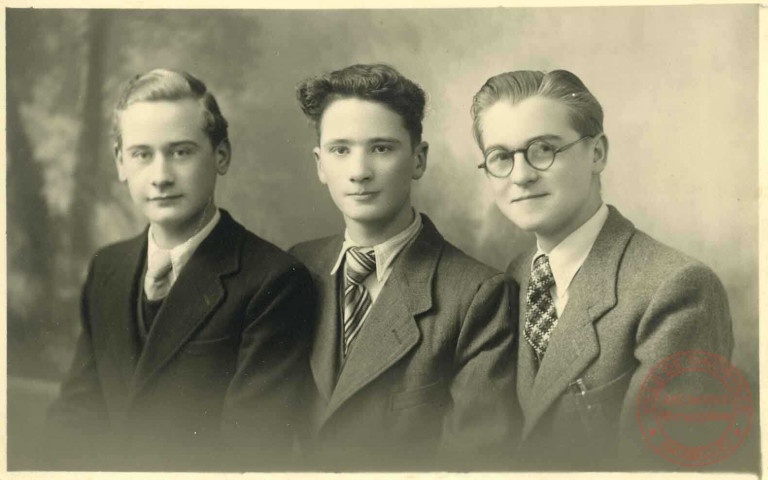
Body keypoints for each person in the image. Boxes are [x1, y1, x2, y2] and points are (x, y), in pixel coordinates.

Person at [46, 69, 313, 471]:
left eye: (181, 152)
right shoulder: (108, 267)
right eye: (142, 154)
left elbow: (251, 453)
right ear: (121, 162)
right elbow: (76, 416)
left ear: (221, 155)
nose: (160, 177)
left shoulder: (272, 280)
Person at [470, 69, 734, 469]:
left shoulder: (676, 288)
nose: (521, 176)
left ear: (597, 153)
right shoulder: (517, 274)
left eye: (543, 149)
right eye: (501, 157)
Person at [291, 63, 519, 470]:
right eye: (340, 150)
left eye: (381, 148)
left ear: (418, 159)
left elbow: (474, 461)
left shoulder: (477, 296)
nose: (359, 172)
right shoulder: (296, 267)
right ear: (320, 164)